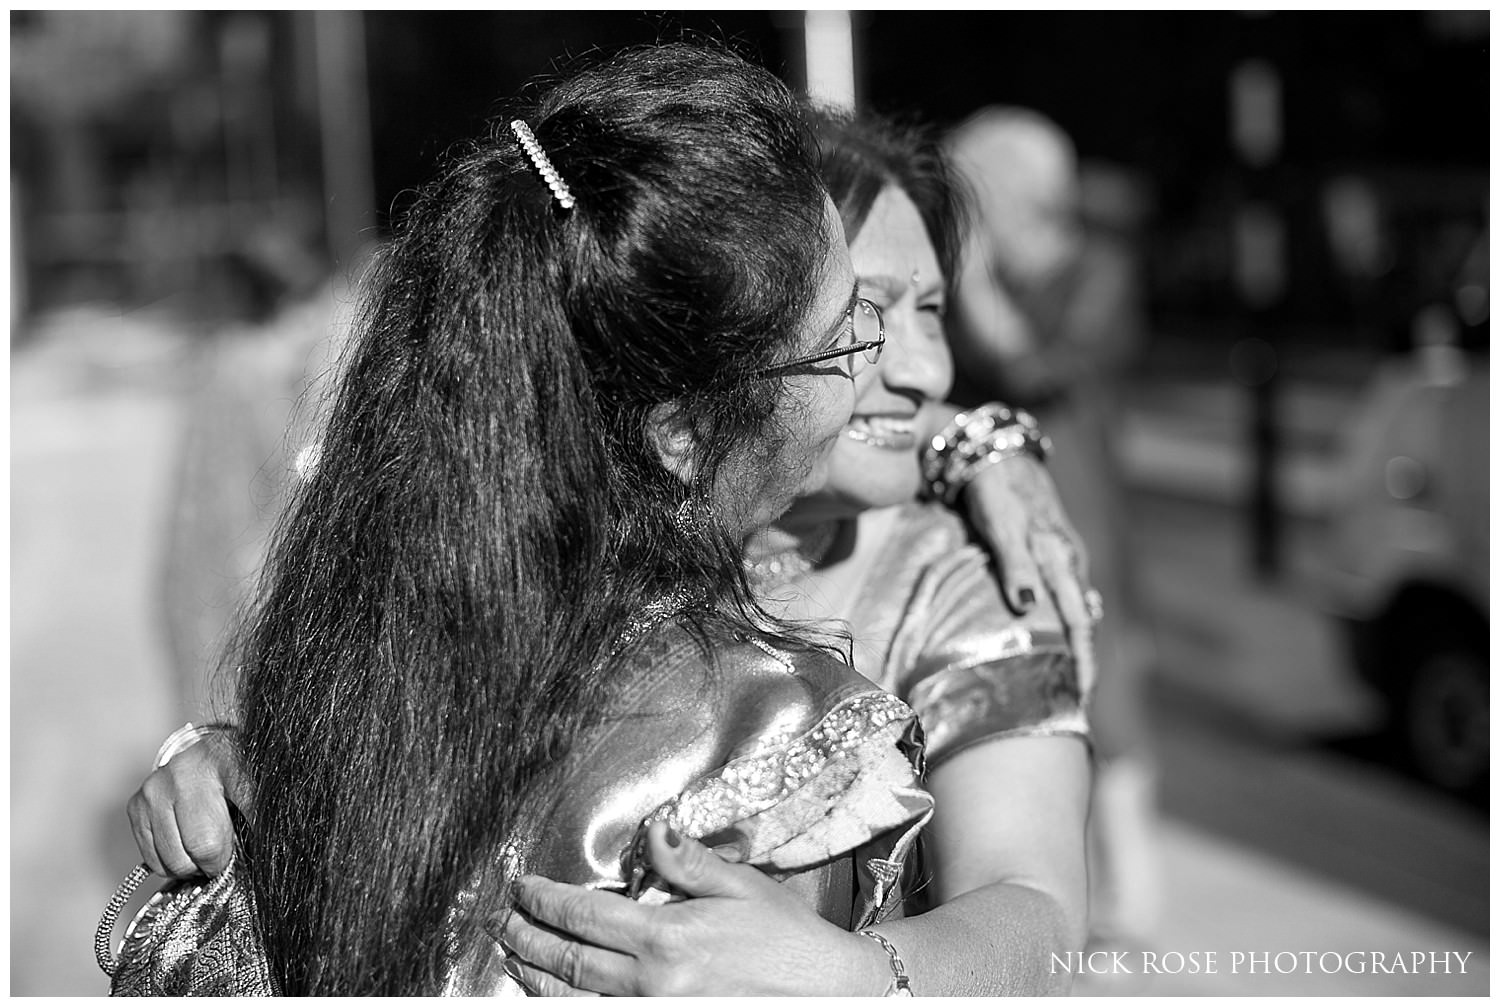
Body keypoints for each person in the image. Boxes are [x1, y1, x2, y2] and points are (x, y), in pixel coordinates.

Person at [126, 105, 1094, 996]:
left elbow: (1038, 907)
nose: (917, 365)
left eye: (931, 310)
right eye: (861, 316)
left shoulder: (973, 568)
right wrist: (263, 769)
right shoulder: (538, 553)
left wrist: (856, 973)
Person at [944, 106, 1162, 962]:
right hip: (987, 512)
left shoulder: (1096, 270)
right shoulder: (980, 273)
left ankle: (1134, 893)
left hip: (1082, 509)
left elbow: (1033, 368)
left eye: (974, 185)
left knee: (1112, 695)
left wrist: (973, 285)